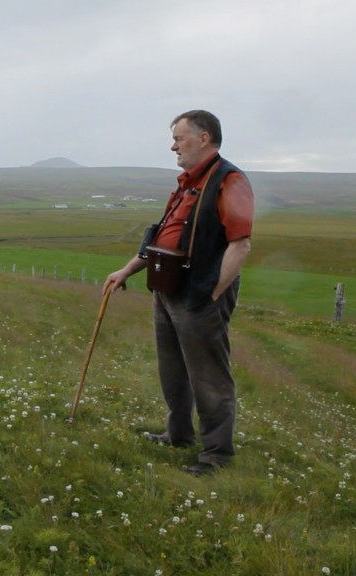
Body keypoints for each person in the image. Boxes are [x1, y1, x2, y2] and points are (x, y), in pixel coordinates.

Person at [103, 110, 254, 476]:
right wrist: (127, 270)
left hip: (200, 295)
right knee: (172, 369)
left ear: (204, 139)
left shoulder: (229, 181)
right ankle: (178, 434)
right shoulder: (187, 183)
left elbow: (241, 245)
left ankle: (217, 454)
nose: (173, 146)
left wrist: (213, 293)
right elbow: (162, 240)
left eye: (180, 138)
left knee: (209, 375)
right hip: (167, 289)